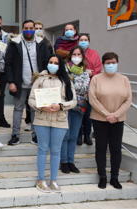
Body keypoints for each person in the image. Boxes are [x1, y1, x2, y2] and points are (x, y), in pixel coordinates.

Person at [28, 55, 76, 193]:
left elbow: (73, 101)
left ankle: (53, 180)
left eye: (56, 63)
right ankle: (41, 179)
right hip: (42, 118)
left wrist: (61, 106)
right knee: (42, 148)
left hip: (59, 119)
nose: (53, 64)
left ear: (60, 65)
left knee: (56, 150)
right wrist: (39, 106)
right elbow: (31, 99)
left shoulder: (66, 80)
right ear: (47, 63)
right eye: (50, 62)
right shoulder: (40, 79)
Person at [5, 19, 52, 145]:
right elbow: (8, 64)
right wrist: (11, 82)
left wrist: (45, 79)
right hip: (19, 82)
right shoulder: (14, 43)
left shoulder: (42, 43)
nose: (28, 30)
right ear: (22, 29)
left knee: (35, 109)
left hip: (37, 83)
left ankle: (35, 135)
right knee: (18, 109)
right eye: (26, 28)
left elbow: (47, 61)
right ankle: (15, 135)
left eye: (31, 28)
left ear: (35, 29)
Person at [89, 52, 132, 189]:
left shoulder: (124, 79)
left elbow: (128, 99)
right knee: (101, 148)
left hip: (118, 120)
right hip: (99, 119)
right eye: (108, 63)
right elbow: (92, 98)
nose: (111, 65)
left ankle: (114, 177)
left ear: (117, 63)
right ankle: (102, 176)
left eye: (113, 62)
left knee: (115, 149)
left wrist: (116, 115)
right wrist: (107, 114)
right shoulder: (96, 79)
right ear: (103, 64)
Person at [60, 46, 90, 174]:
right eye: (74, 54)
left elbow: (84, 88)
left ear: (82, 57)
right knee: (65, 135)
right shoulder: (64, 68)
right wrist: (73, 82)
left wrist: (73, 80)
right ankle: (64, 161)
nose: (76, 56)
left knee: (73, 135)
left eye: (79, 54)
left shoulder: (85, 71)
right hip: (66, 105)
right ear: (70, 55)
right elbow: (64, 85)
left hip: (79, 107)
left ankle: (71, 161)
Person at [76, 33, 102, 146]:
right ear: (78, 41)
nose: (83, 41)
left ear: (89, 41)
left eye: (85, 40)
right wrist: (84, 72)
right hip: (78, 88)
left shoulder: (94, 54)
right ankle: (78, 136)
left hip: (91, 87)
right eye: (81, 40)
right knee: (78, 113)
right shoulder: (76, 53)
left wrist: (91, 73)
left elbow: (98, 68)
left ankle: (87, 135)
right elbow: (72, 67)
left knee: (88, 114)